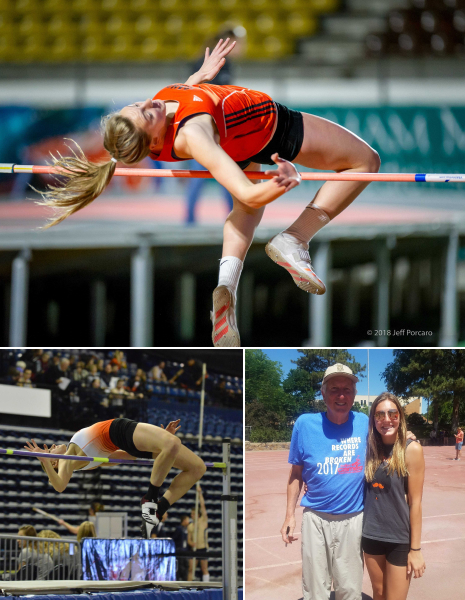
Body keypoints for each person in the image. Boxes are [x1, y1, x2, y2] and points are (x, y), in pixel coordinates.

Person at [36, 38, 380, 348]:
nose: (148, 104)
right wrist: (281, 181)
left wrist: (198, 78)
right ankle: (296, 238)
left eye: (137, 105)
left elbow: (177, 106)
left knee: (246, 213)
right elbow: (249, 191)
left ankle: (226, 286)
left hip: (239, 138)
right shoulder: (194, 135)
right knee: (365, 161)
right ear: (153, 141)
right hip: (274, 129)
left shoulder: (160, 120)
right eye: (145, 113)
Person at [281, 363, 416, 600]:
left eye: (347, 389)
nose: (341, 395)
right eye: (334, 389)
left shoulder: (366, 423)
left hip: (354, 519)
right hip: (315, 519)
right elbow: (295, 474)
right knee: (314, 590)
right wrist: (289, 515)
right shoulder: (304, 425)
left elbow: (390, 430)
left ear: (354, 394)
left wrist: (408, 437)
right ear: (323, 392)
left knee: (350, 591)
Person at [24, 417, 206, 538]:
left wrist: (160, 444)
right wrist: (46, 460)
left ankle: (159, 510)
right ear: (54, 463)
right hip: (118, 430)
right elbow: (60, 486)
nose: (54, 445)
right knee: (172, 443)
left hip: (127, 442)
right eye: (51, 450)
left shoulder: (90, 462)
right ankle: (149, 500)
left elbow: (129, 456)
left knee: (197, 468)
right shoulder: (67, 460)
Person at [363, 392, 425, 600]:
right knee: (379, 593)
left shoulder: (411, 450)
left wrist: (415, 549)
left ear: (400, 416)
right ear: (373, 419)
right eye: (380, 415)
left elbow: (416, 503)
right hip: (371, 535)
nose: (387, 420)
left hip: (399, 538)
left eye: (392, 414)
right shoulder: (368, 449)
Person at [187, 485, 209, 581]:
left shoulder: (203, 521)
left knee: (204, 568)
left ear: (197, 514)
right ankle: (189, 588)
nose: (192, 515)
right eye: (191, 514)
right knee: (191, 569)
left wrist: (200, 493)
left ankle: (207, 588)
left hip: (203, 548)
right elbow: (189, 539)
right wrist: (191, 543)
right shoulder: (190, 526)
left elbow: (203, 506)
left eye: (193, 513)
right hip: (194, 549)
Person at [172, 514, 190, 581]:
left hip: (185, 551)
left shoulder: (187, 529)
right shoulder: (179, 529)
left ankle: (185, 580)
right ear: (184, 520)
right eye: (187, 520)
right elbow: (174, 539)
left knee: (186, 567)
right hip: (180, 551)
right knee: (180, 567)